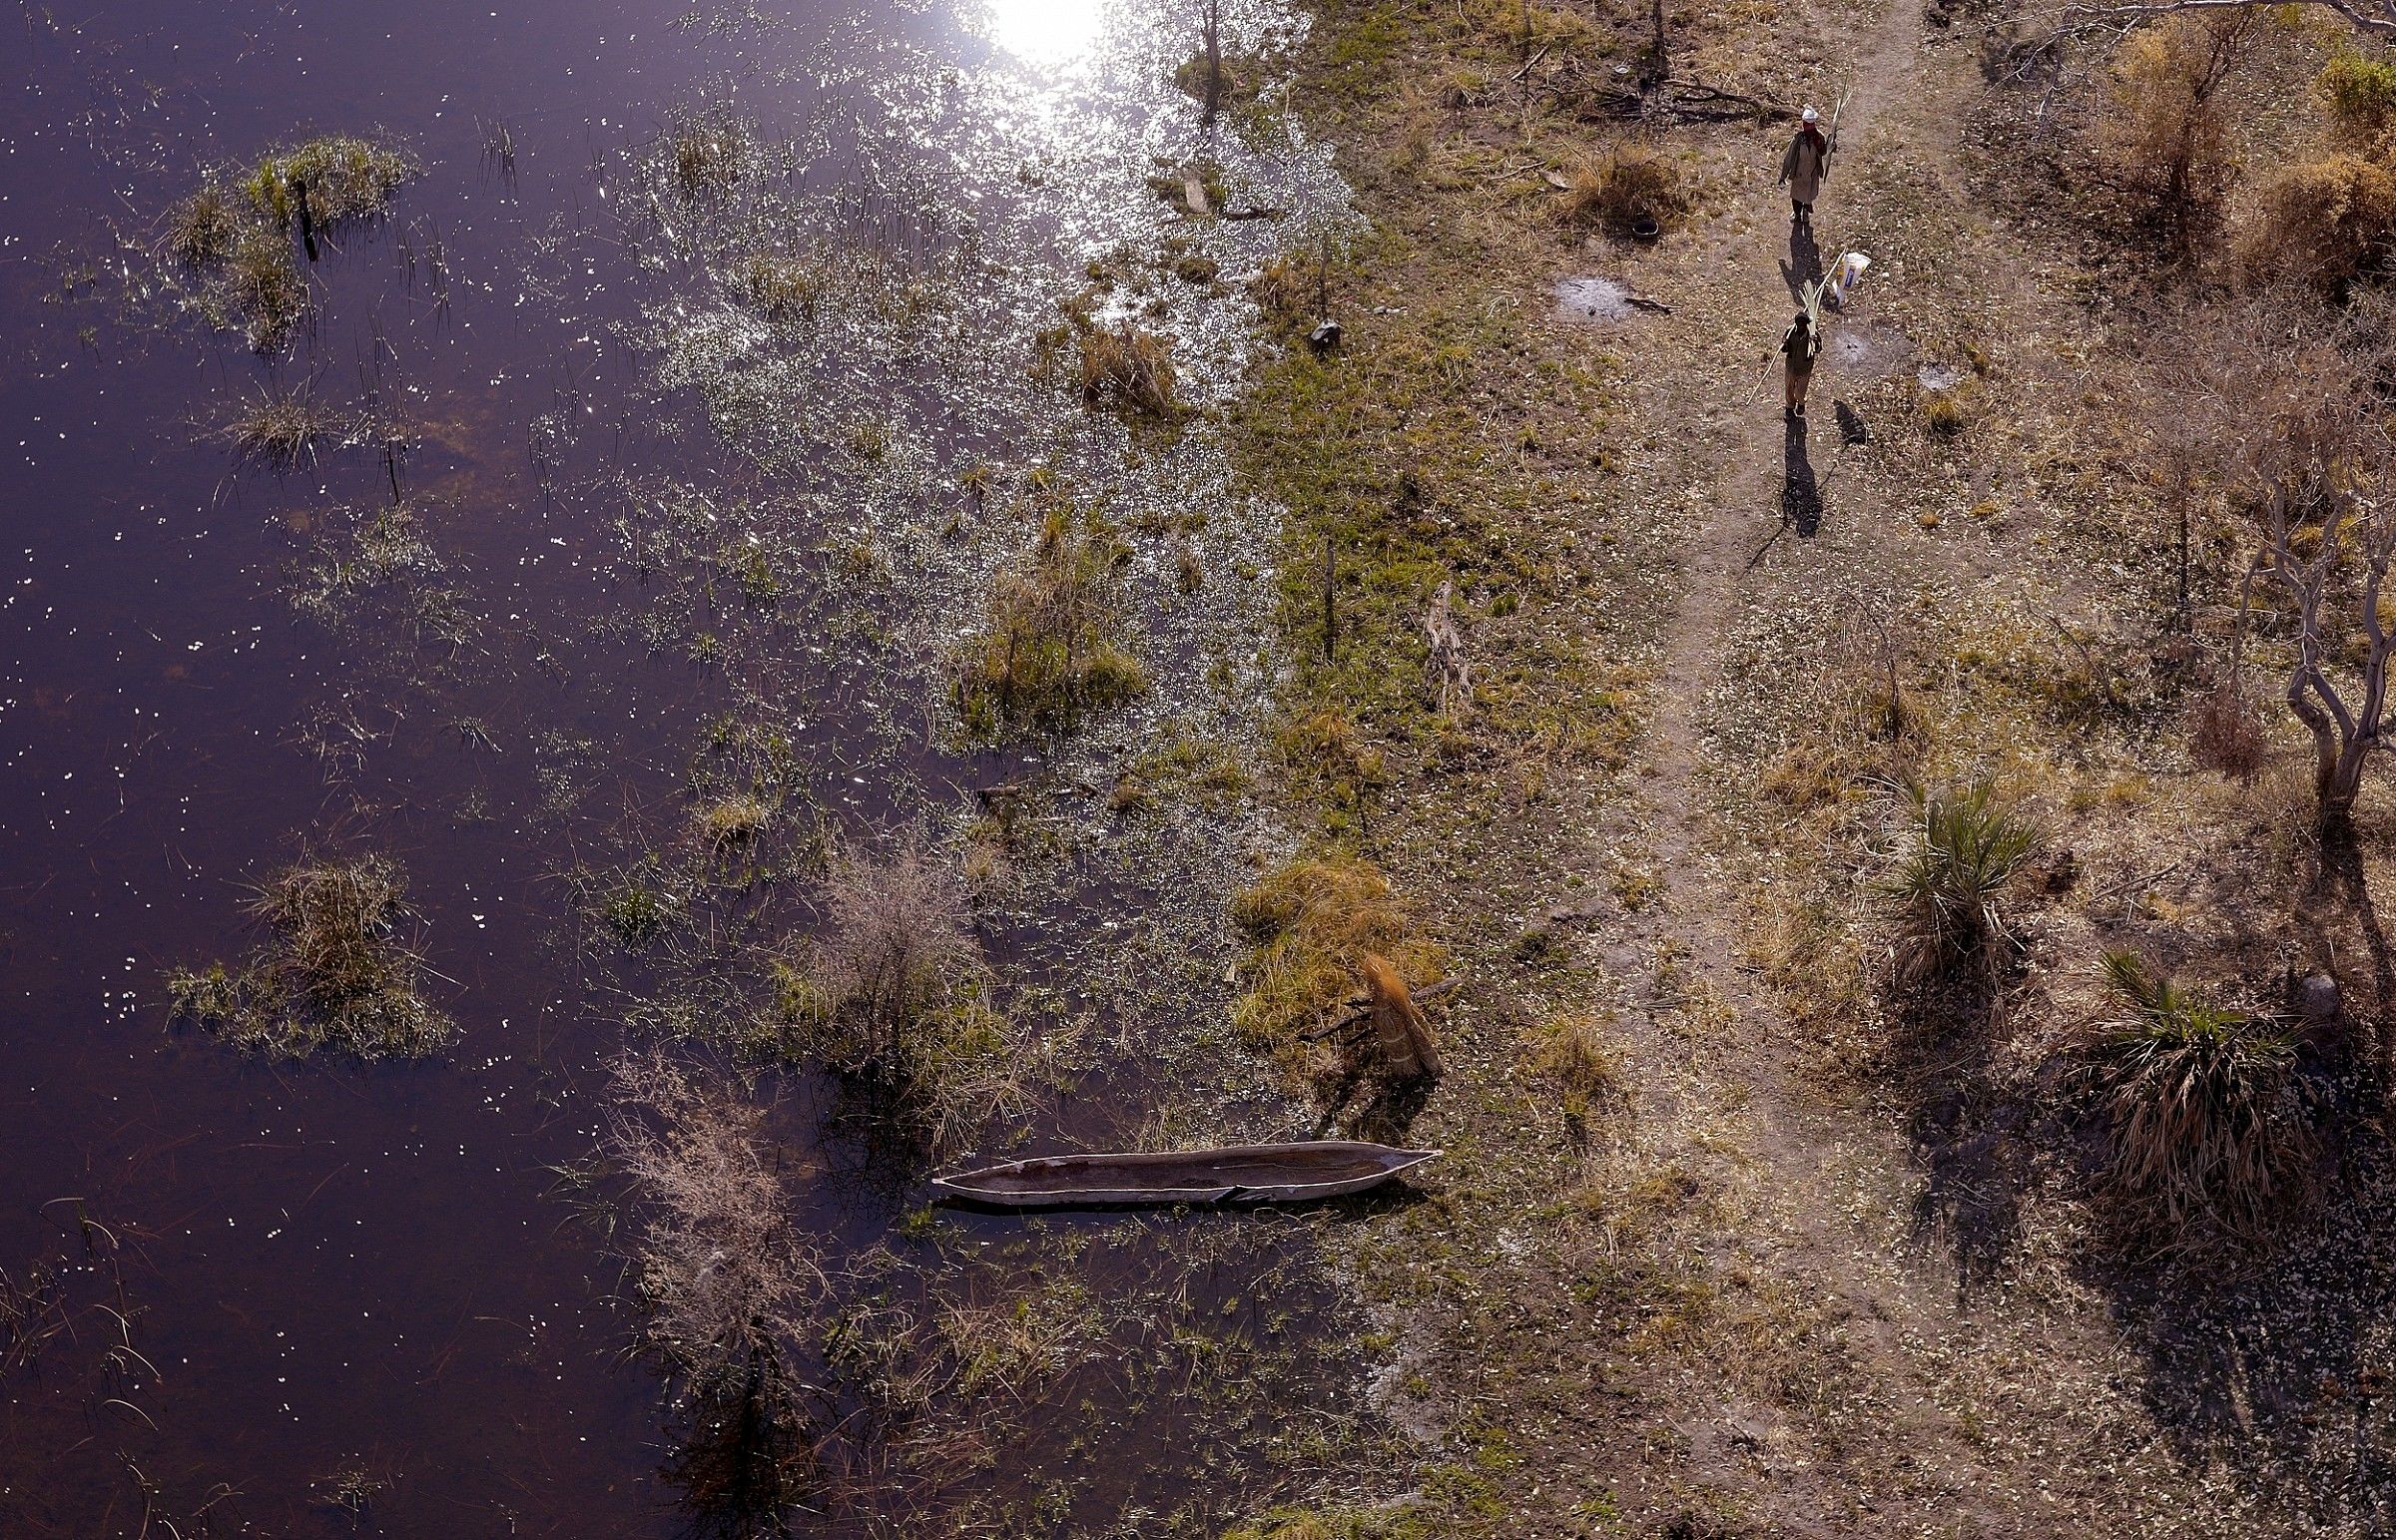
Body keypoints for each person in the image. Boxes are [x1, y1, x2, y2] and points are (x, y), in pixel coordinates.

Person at [1778, 107, 1831, 227]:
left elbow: (1823, 152)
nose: (1809, 127)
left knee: (1808, 196)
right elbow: (1789, 158)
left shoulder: (1819, 138)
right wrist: (1783, 175)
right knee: (1796, 197)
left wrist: (1831, 145)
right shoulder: (1798, 140)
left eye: (1811, 124)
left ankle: (1806, 212)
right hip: (1799, 173)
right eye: (1807, 124)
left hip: (1812, 172)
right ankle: (1797, 214)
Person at [1779, 309, 1820, 421]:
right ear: (1796, 324)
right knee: (1789, 389)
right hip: (1791, 367)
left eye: (1803, 324)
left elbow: (1818, 349)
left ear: (1806, 325)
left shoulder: (1812, 334)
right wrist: (1785, 344)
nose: (1801, 327)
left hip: (1804, 368)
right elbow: (1784, 350)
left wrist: (1815, 342)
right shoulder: (1790, 332)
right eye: (1799, 324)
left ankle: (1801, 403)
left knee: (1800, 392)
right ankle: (1789, 408)